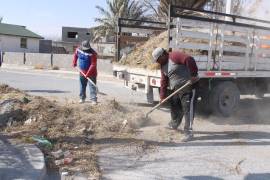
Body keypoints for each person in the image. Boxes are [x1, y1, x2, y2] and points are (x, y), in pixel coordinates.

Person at [152, 47, 199, 142]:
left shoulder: (174, 56)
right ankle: (174, 124)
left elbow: (189, 59)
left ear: (163, 55)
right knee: (174, 105)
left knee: (187, 109)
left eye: (158, 59)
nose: (157, 62)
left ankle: (188, 132)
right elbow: (164, 81)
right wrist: (162, 96)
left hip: (188, 86)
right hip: (176, 89)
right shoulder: (163, 65)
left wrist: (193, 75)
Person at [73, 40, 98, 105]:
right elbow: (75, 55)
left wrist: (87, 74)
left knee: (92, 86)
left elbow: (93, 64)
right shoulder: (78, 50)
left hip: (92, 73)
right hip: (82, 71)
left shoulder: (93, 53)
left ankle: (93, 100)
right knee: (82, 85)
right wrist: (74, 62)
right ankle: (82, 98)